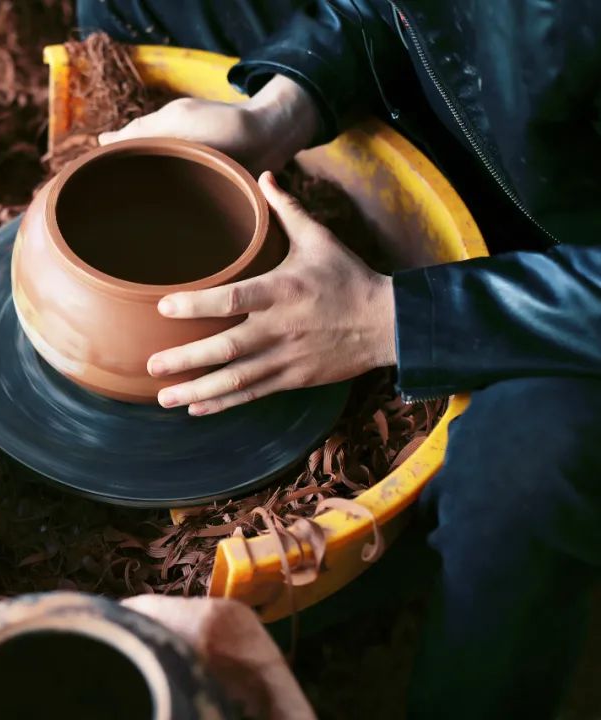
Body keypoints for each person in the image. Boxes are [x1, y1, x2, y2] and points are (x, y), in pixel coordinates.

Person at [75, 1, 601, 717]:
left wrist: (392, 318)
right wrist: (281, 108)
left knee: (528, 461)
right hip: (502, 138)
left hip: (573, 286)